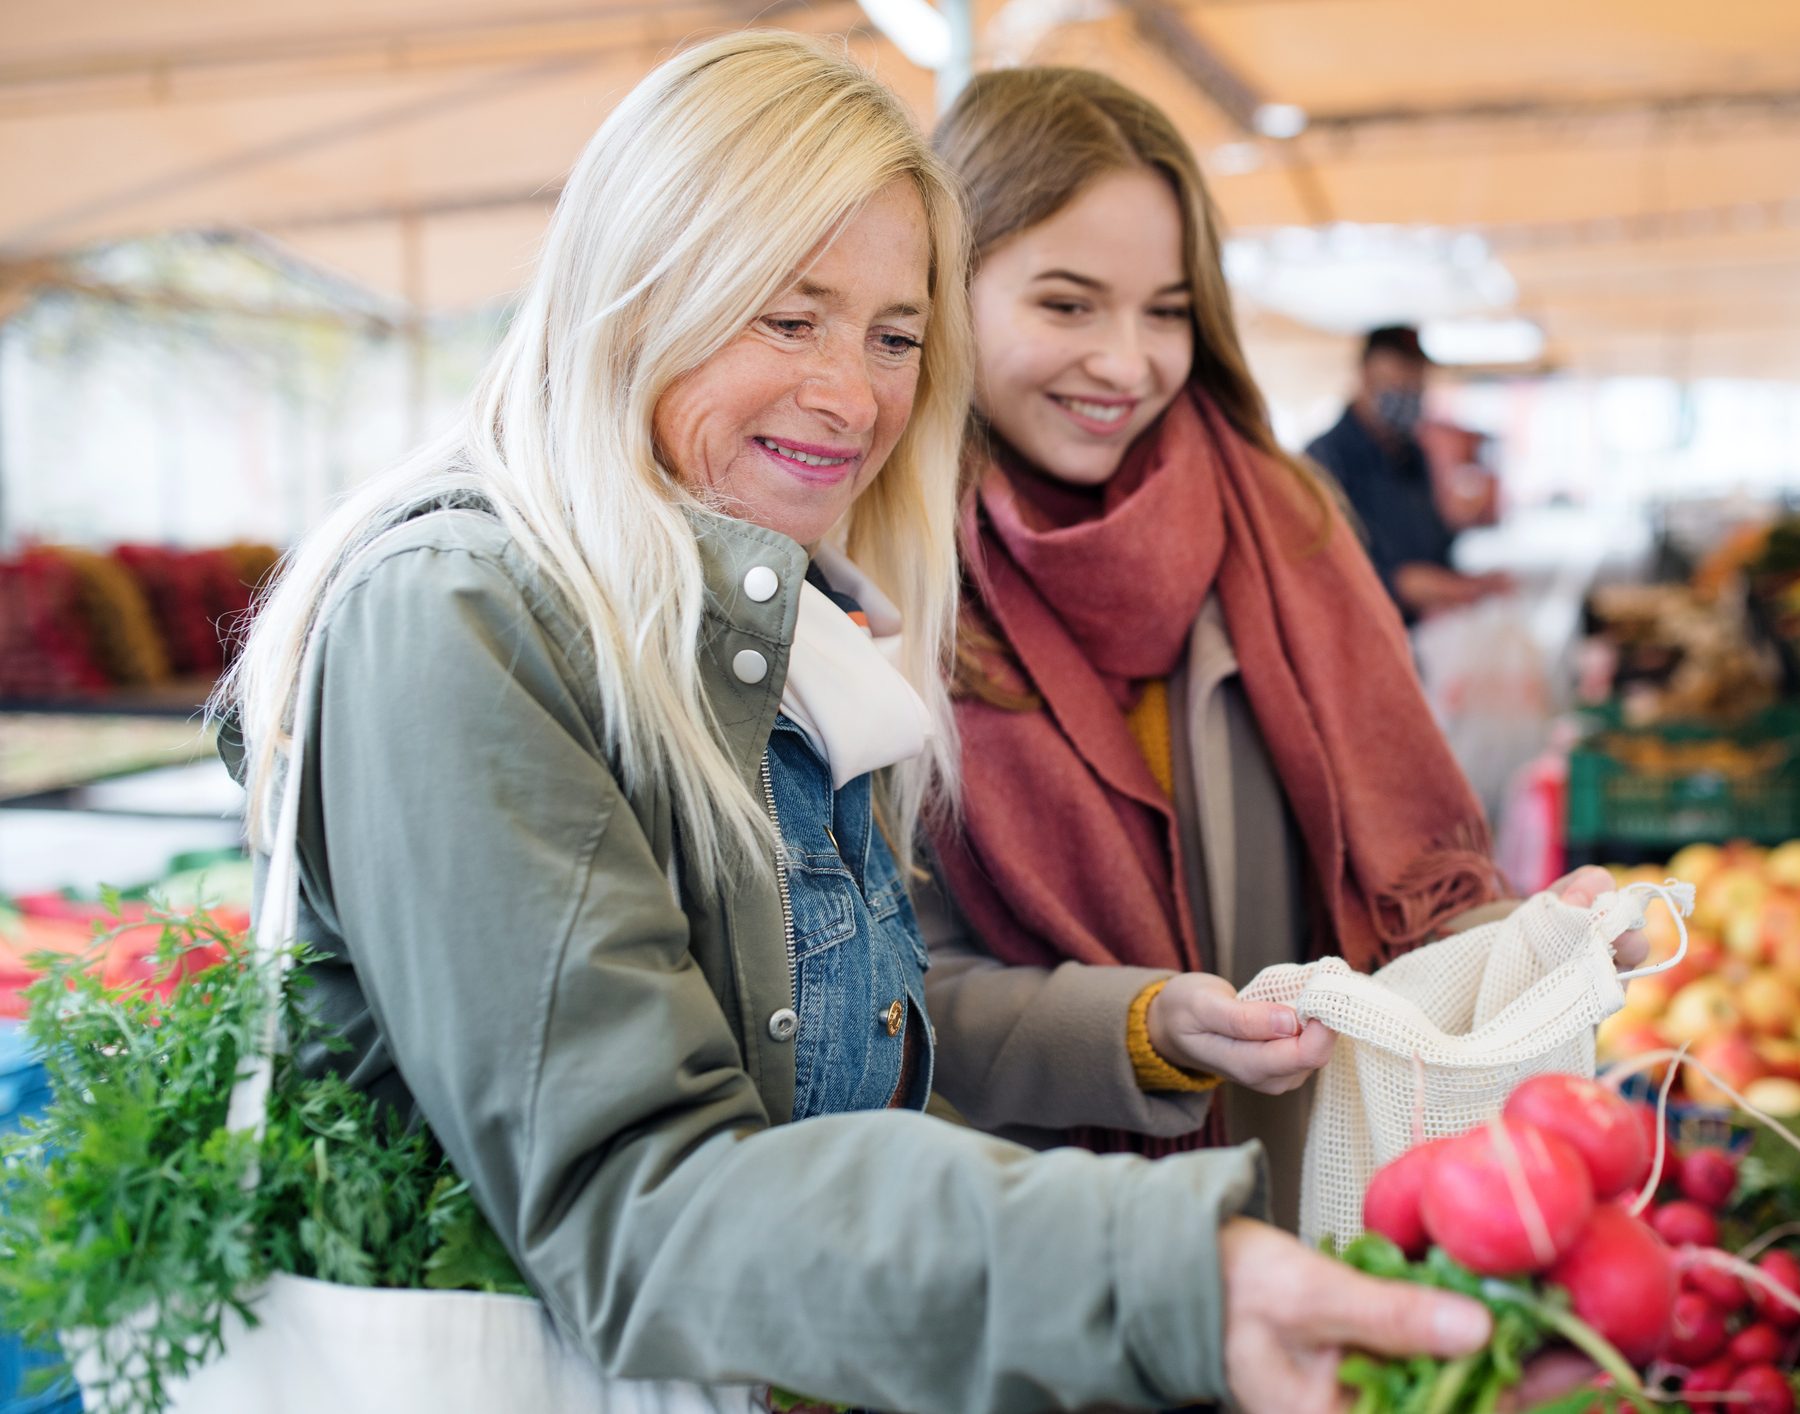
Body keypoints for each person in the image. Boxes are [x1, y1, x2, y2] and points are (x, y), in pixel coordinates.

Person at [211, 34, 1497, 1414]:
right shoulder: (455, 621)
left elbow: (829, 1041)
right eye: (787, 315)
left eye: (893, 337)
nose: (855, 396)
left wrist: (1137, 1030)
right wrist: (1157, 1270)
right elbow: (636, 1190)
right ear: (639, 289)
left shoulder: (786, 613)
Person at [922, 67, 1641, 1231]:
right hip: (1043, 1246)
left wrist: (1524, 941)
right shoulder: (889, 580)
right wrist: (1138, 1026)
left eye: (1165, 310)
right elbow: (899, 985)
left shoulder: (1286, 524)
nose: (1126, 362)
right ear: (949, 292)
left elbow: (1404, 878)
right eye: (1066, 305)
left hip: (1314, 1197)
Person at [1305, 326, 1511, 619]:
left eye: (1418, 377)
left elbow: (1432, 547)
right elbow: (1322, 570)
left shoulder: (1413, 455)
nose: (1411, 385)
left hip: (1418, 635)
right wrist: (1400, 583)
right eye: (1399, 374)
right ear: (1365, 373)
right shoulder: (1323, 460)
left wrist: (1465, 581)